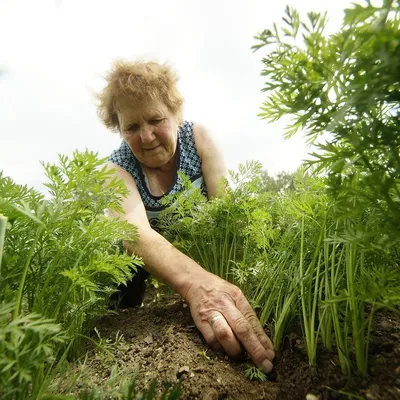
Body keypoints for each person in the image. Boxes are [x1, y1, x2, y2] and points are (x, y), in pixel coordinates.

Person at [96, 60, 275, 373]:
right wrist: (199, 288)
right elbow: (136, 234)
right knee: (121, 290)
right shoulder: (116, 169)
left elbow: (226, 219)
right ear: (120, 130)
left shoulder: (199, 141)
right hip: (145, 257)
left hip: (196, 247)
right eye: (132, 127)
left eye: (155, 119)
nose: (147, 136)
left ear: (176, 114)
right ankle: (119, 333)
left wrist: (229, 284)